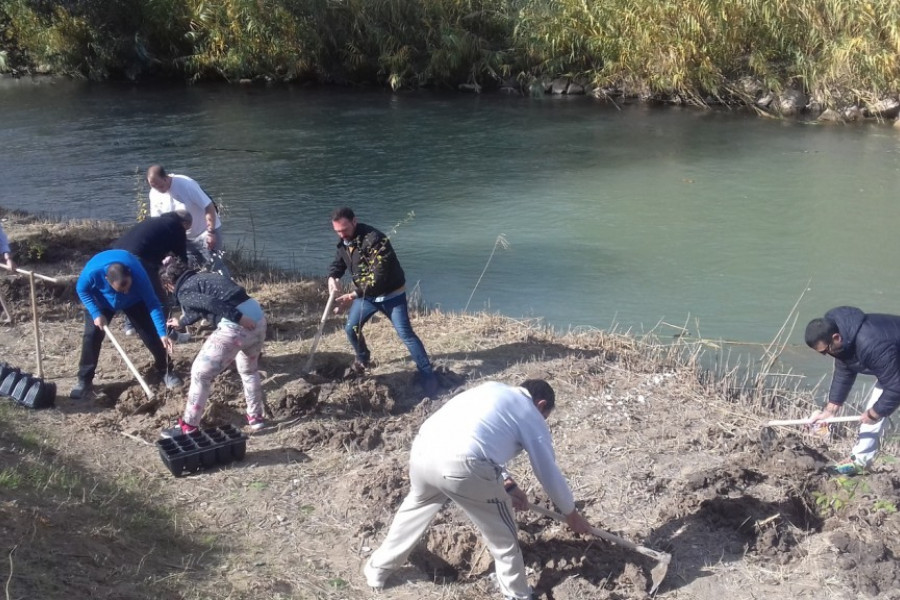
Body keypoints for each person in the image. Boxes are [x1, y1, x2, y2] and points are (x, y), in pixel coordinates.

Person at [364, 380, 593, 599]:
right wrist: (570, 513)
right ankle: (517, 594)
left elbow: (478, 440)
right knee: (504, 536)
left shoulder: (492, 391)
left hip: (423, 450)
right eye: (545, 416)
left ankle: (377, 569)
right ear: (541, 405)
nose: (543, 421)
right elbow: (546, 470)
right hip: (461, 464)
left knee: (416, 507)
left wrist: (509, 486)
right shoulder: (530, 412)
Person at [327, 207, 437, 397]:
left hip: (391, 295)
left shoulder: (375, 240)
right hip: (367, 297)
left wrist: (353, 295)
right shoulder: (345, 242)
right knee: (351, 328)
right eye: (337, 231)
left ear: (355, 221)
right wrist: (332, 276)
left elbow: (378, 278)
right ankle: (362, 358)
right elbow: (339, 263)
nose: (342, 234)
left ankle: (427, 374)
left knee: (406, 334)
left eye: (344, 229)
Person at [158, 258, 268, 435]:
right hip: (259, 320)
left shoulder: (184, 291)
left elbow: (211, 304)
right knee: (249, 371)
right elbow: (200, 307)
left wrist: (239, 318)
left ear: (170, 283)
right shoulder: (204, 278)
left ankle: (189, 426)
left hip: (237, 325)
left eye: (168, 289)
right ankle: (256, 418)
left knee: (200, 373)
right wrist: (181, 321)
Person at [71, 249, 181, 399]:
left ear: (130, 274)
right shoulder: (92, 273)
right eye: (121, 289)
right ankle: (84, 380)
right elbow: (81, 289)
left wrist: (162, 333)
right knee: (91, 336)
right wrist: (96, 313)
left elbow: (153, 304)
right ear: (106, 280)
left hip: (135, 301)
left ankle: (166, 370)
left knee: (151, 335)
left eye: (128, 286)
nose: (126, 291)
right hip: (101, 301)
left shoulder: (139, 275)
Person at [806, 306, 900, 474]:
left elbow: (895, 386)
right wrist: (830, 410)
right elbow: (844, 371)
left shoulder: (871, 343)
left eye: (825, 350)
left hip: (895, 375)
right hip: (894, 369)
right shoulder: (844, 340)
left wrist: (875, 413)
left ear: (836, 337)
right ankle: (860, 462)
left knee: (875, 412)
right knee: (872, 415)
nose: (826, 355)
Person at [112, 210, 192, 339]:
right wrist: (186, 279)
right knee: (159, 298)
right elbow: (182, 259)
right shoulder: (177, 227)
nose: (186, 232)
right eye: (188, 229)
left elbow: (151, 246)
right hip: (137, 258)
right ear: (185, 223)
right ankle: (170, 334)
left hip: (115, 255)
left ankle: (131, 327)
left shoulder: (155, 221)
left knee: (133, 291)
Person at [146, 165, 229, 276]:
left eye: (160, 186)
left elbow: (209, 206)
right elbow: (158, 222)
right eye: (153, 186)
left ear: (166, 178)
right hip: (185, 239)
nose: (158, 189)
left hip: (205, 232)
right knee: (190, 270)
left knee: (215, 267)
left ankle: (229, 289)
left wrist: (211, 232)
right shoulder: (154, 193)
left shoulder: (186, 185)